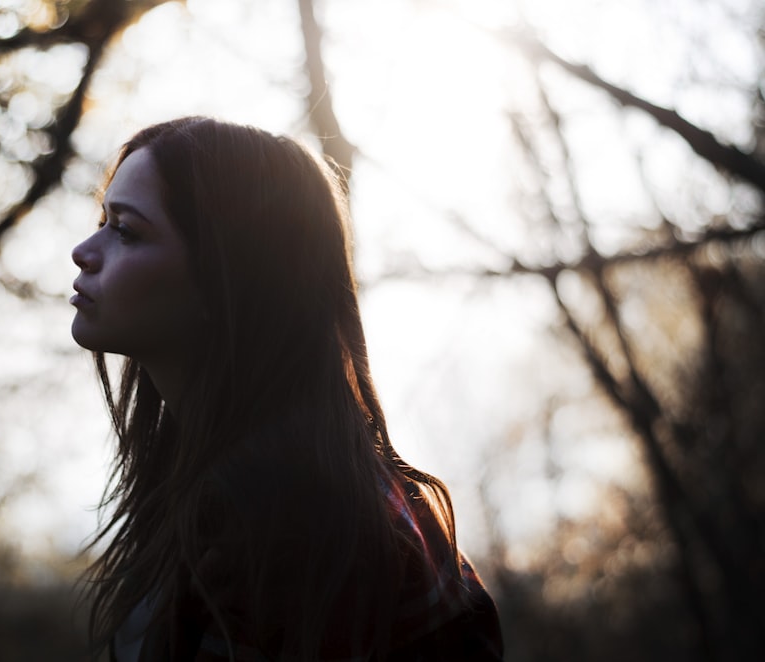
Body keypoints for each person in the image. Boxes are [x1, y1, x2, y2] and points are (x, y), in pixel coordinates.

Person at [70, 117, 503, 661]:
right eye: (102, 219)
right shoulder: (234, 484)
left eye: (126, 230)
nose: (84, 249)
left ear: (226, 277)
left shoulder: (277, 524)